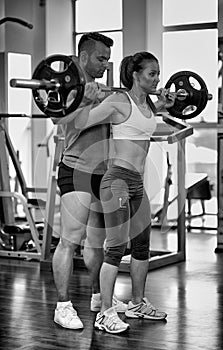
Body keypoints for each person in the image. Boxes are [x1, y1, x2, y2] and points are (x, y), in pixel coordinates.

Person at [74, 51, 176, 334]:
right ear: (135, 75)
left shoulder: (147, 106)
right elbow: (81, 122)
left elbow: (142, 124)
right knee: (116, 248)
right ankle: (105, 313)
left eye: (158, 73)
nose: (157, 78)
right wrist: (85, 98)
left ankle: (138, 303)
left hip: (137, 183)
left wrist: (162, 105)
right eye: (151, 74)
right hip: (116, 180)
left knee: (142, 246)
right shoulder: (118, 101)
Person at [52, 32, 127, 330]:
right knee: (70, 239)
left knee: (97, 242)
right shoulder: (67, 87)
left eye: (108, 60)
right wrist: (86, 97)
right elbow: (61, 119)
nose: (104, 65)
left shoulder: (102, 88)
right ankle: (63, 305)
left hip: (102, 171)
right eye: (100, 59)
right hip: (76, 168)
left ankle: (98, 296)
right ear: (83, 57)